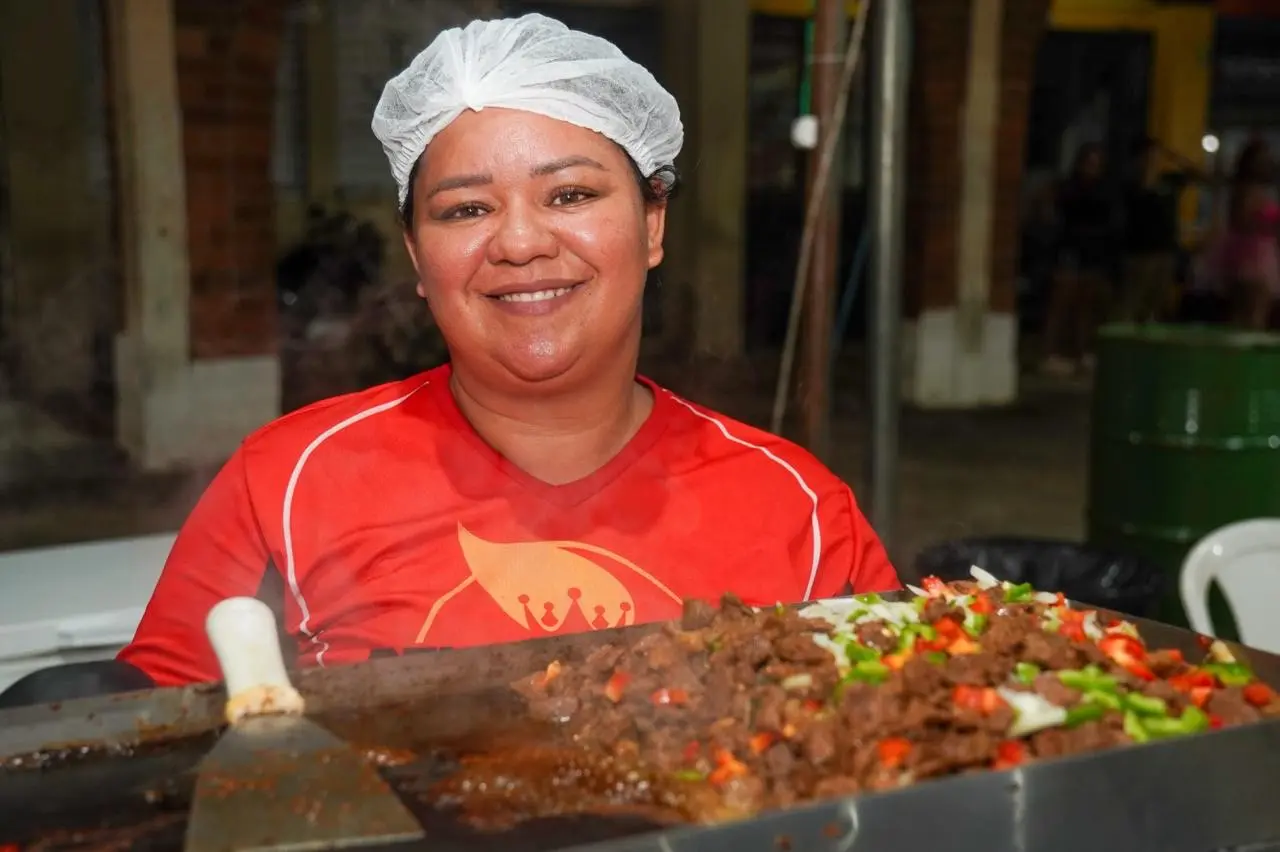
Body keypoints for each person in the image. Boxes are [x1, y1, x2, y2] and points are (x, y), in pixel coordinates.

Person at [118, 14, 899, 687]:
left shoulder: (797, 510)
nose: (520, 242)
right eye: (466, 209)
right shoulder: (288, 482)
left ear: (653, 223)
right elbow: (142, 750)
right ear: (417, 253)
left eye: (571, 195)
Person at [1041, 143, 1116, 377]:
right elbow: (1055, 215)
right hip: (1070, 250)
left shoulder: (1103, 190)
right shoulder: (1068, 188)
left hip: (1093, 253)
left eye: (1097, 164)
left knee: (1086, 307)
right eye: (1089, 163)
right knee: (1062, 303)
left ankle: (1081, 352)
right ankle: (1051, 353)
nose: (1092, 169)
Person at [1117, 138, 1191, 324]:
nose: (1153, 159)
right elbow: (1137, 200)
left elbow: (1199, 174)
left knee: (1157, 302)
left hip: (1166, 250)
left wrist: (1174, 157)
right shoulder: (1131, 183)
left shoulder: (1169, 180)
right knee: (1133, 301)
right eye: (1149, 155)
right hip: (1140, 252)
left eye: (1156, 155)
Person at [1219, 138, 1280, 329]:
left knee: (1256, 311)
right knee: (1250, 310)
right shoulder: (1245, 189)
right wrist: (1268, 224)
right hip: (1250, 253)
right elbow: (1240, 222)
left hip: (1262, 253)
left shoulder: (1262, 189)